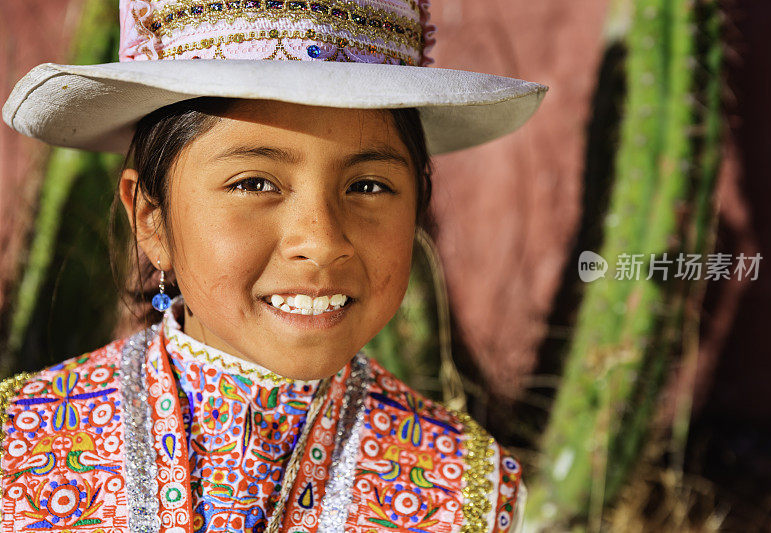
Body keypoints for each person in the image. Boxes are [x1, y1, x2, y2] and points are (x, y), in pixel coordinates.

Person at [0, 0, 547, 531]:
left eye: (368, 186)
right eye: (254, 183)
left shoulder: (467, 493)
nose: (321, 240)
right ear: (151, 219)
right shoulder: (18, 449)